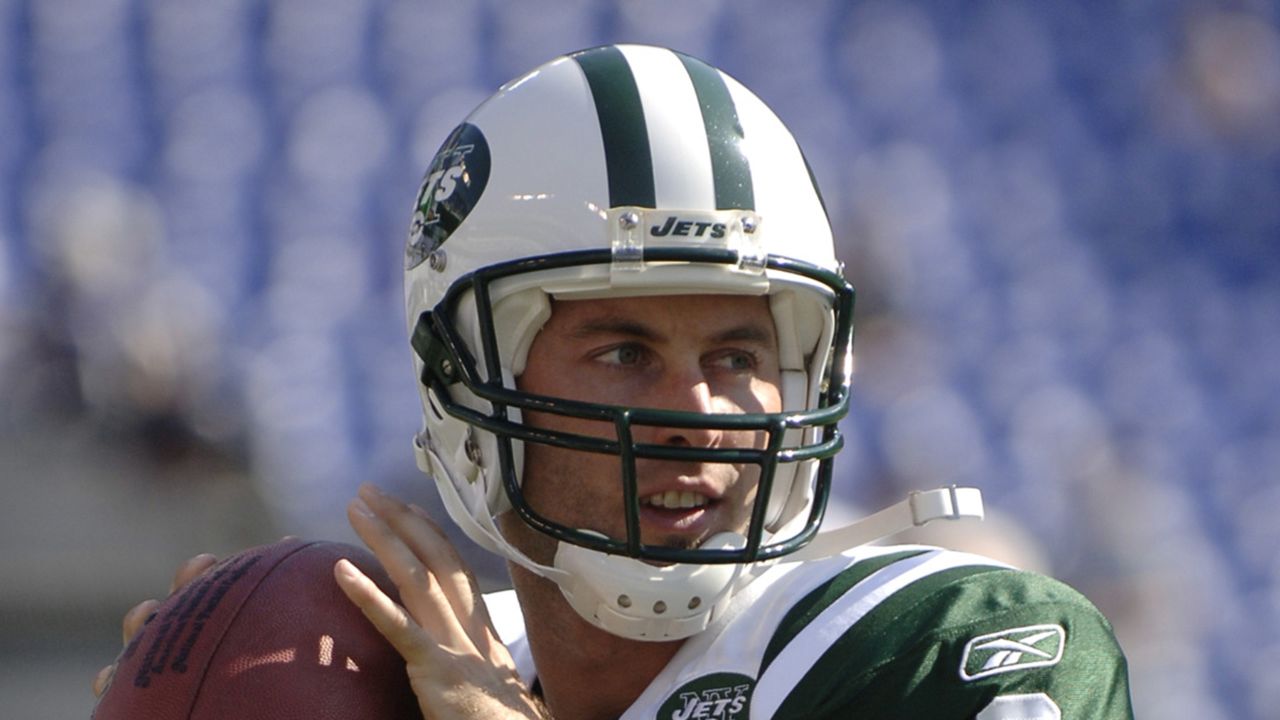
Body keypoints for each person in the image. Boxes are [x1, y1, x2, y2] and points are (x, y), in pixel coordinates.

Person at [95, 44, 1134, 719]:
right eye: (626, 352)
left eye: (736, 356)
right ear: (471, 385)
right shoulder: (380, 674)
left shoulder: (932, 645)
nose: (697, 412)